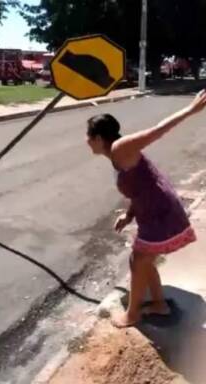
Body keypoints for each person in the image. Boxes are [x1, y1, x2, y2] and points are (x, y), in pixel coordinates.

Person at [86, 90, 206, 328]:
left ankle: (133, 315)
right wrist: (128, 215)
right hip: (152, 211)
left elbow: (158, 130)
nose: (86, 141)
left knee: (139, 260)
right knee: (141, 260)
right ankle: (159, 304)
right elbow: (139, 188)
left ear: (99, 138)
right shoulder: (118, 155)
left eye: (88, 136)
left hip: (161, 213)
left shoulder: (120, 147)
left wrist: (191, 110)